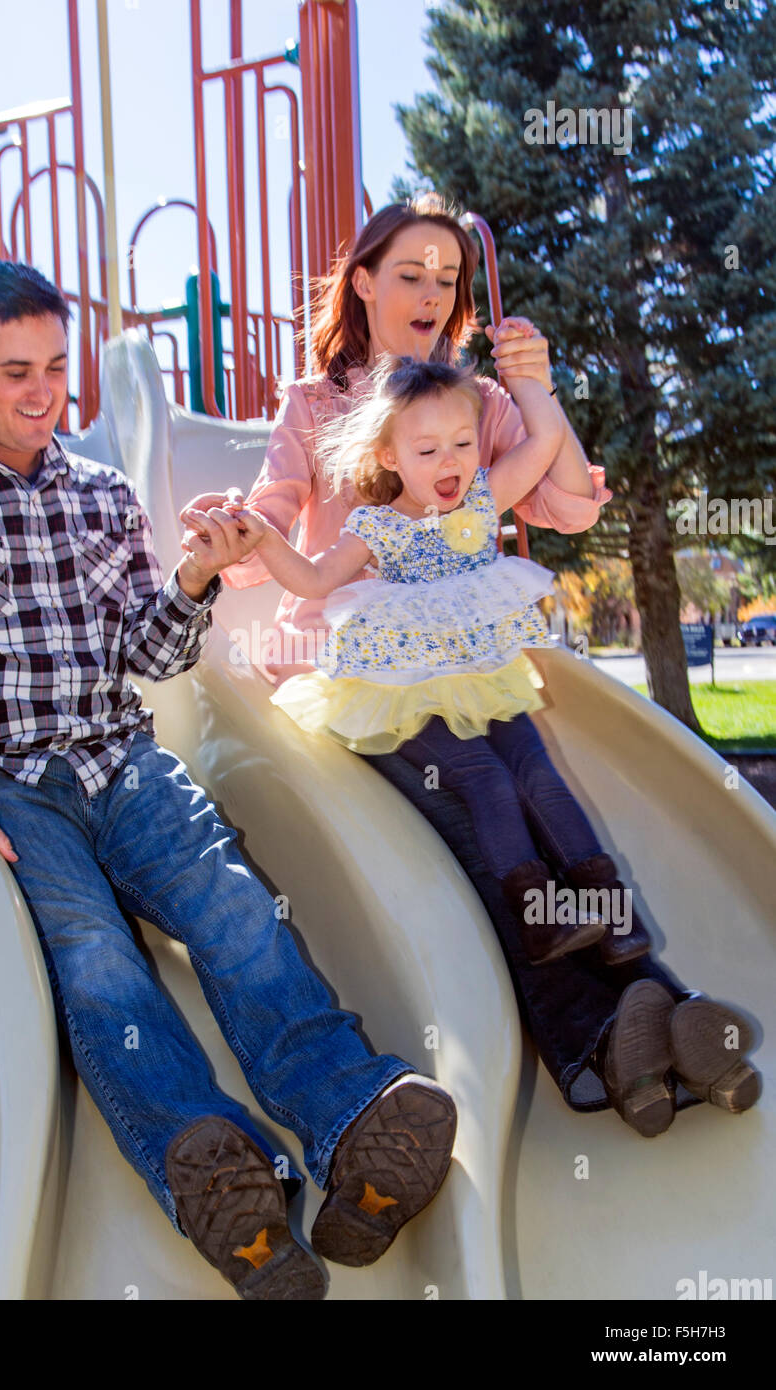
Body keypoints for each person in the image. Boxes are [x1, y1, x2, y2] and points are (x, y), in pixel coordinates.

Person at [0, 259, 458, 1301]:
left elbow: (150, 655)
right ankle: (220, 1177)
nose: (42, 392)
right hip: (4, 783)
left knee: (237, 911)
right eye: (14, 371)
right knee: (96, 963)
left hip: (121, 760)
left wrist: (195, 578)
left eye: (56, 367)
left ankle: (354, 1118)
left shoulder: (101, 492)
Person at [184, 195, 762, 1137]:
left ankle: (638, 1024)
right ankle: (627, 1024)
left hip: (463, 657)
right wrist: (232, 531)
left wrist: (536, 386)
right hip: (365, 680)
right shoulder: (317, 406)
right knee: (471, 814)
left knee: (532, 792)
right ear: (363, 281)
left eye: (446, 278)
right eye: (408, 272)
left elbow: (569, 502)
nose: (429, 292)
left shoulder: (473, 403)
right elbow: (278, 519)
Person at [191, 354, 651, 970]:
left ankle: (611, 912)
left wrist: (531, 383)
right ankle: (537, 914)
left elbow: (543, 440)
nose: (451, 461)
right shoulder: (376, 527)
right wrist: (263, 537)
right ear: (390, 456)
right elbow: (311, 578)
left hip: (479, 675)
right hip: (407, 690)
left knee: (535, 770)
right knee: (484, 779)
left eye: (463, 442)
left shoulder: (483, 497)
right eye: (427, 449)